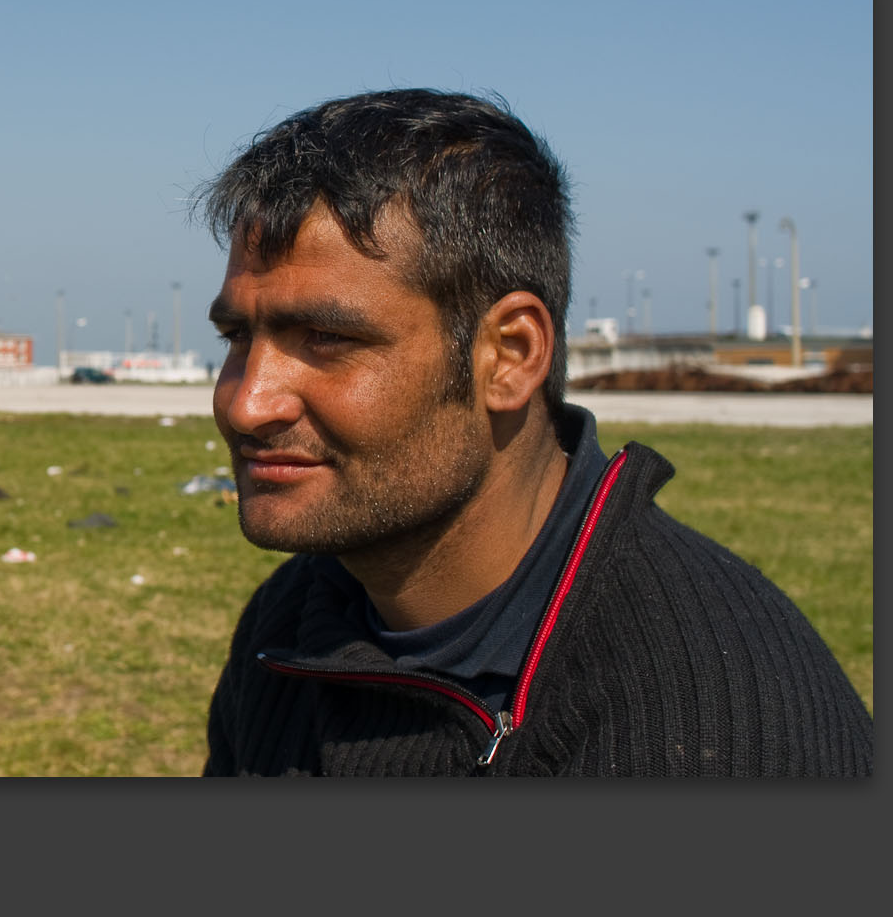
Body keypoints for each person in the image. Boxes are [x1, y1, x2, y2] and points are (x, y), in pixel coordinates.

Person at [195, 89, 871, 777]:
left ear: (510, 357)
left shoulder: (717, 726)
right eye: (237, 335)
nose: (247, 404)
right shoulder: (293, 624)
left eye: (327, 339)